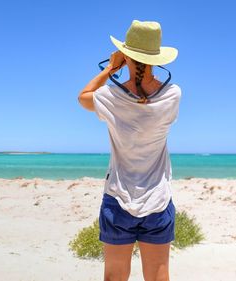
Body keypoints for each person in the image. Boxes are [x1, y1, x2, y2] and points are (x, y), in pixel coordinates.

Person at [77, 20, 181, 281]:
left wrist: (112, 68)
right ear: (156, 57)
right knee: (159, 277)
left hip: (118, 199)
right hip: (158, 200)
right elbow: (146, 95)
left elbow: (83, 97)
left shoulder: (110, 97)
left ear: (127, 55)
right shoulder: (173, 95)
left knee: (114, 276)